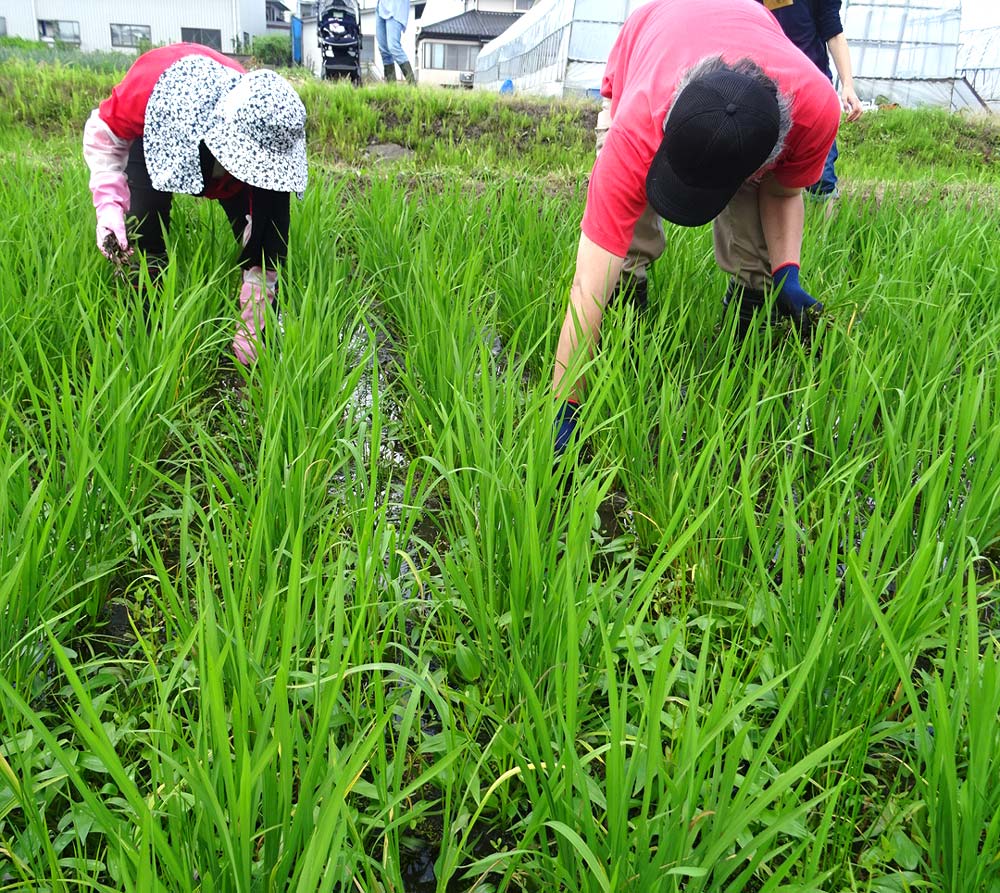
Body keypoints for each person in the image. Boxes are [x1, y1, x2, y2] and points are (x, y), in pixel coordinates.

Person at [551, 0, 841, 452]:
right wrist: (565, 405)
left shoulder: (815, 108)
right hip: (655, 39)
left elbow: (782, 192)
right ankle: (630, 309)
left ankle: (747, 325)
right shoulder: (640, 120)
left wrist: (787, 272)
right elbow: (587, 284)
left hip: (750, 70)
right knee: (623, 247)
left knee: (758, 256)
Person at [83, 43, 308, 366]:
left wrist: (254, 324)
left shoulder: (268, 124)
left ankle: (259, 340)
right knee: (142, 225)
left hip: (222, 138)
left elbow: (268, 241)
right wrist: (108, 205)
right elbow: (106, 133)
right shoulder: (150, 89)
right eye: (250, 165)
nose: (258, 175)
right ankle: (142, 331)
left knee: (263, 230)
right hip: (160, 132)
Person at [759, 0, 863, 198]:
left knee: (822, 174)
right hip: (765, 86)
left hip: (811, 86)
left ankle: (823, 228)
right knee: (764, 169)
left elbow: (833, 32)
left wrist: (847, 85)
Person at [376, 0, 416, 84]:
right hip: (381, 6)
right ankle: (391, 88)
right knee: (384, 50)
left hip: (396, 8)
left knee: (393, 47)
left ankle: (413, 85)